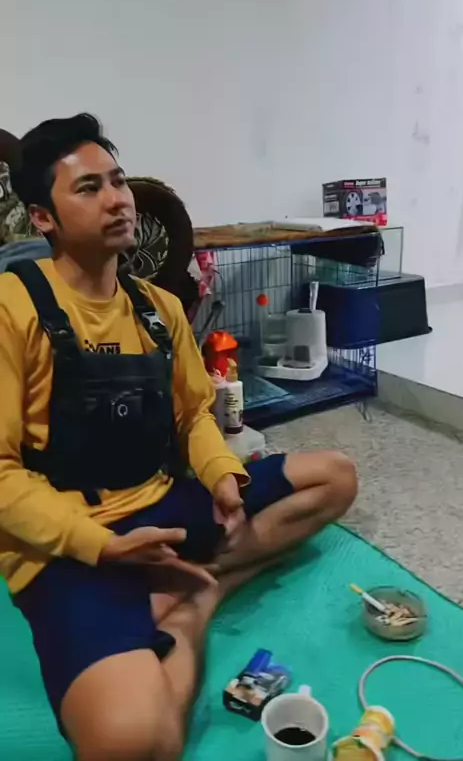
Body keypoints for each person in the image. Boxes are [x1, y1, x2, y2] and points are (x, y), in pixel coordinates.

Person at [0, 113, 357, 761]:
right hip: (72, 543)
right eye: (89, 188)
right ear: (43, 217)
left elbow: (194, 415)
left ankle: (193, 580)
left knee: (335, 477)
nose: (117, 199)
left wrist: (222, 476)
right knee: (135, 744)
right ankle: (197, 602)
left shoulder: (158, 308)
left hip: (162, 506)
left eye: (118, 181)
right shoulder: (10, 307)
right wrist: (103, 547)